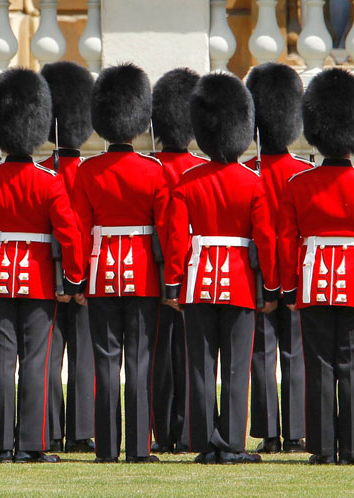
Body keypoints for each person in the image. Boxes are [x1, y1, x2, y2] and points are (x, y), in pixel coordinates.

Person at [278, 68, 354, 465]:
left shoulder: (299, 184)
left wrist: (290, 287)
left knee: (320, 366)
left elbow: (284, 239)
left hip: (313, 281)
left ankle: (323, 448)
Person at [0, 68, 84, 463]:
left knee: (2, 361)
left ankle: (1, 445)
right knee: (36, 361)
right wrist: (73, 278)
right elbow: (68, 233)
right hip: (38, 280)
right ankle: (33, 444)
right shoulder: (49, 181)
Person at [162, 71, 276, 465]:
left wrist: (173, 284)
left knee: (201, 366)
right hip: (241, 283)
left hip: (196, 281)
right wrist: (271, 286)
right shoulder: (253, 182)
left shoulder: (188, 180)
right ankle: (232, 443)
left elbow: (177, 239)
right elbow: (264, 239)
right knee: (236, 368)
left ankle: (205, 442)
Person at [71, 63, 173, 464]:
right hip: (144, 274)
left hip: (100, 274)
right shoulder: (153, 171)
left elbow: (78, 229)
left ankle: (107, 448)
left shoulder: (88, 170)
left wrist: (77, 278)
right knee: (140, 361)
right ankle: (139, 448)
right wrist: (172, 280)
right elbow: (167, 232)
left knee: (106, 361)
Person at [243, 62, 310, 454]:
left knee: (262, 355)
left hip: (257, 278)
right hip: (297, 275)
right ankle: (296, 431)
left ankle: (269, 431)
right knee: (295, 353)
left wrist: (268, 282)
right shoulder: (302, 172)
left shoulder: (249, 171)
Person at [39, 60, 97, 454]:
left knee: (48, 357)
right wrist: (80, 278)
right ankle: (80, 431)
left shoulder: (44, 171)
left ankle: (50, 428)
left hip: (47, 276)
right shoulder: (91, 171)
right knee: (84, 356)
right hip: (86, 275)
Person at [149, 67, 200, 455]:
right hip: (193, 272)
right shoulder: (196, 170)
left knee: (158, 359)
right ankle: (187, 433)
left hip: (152, 271)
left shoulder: (151, 167)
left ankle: (163, 430)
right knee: (189, 357)